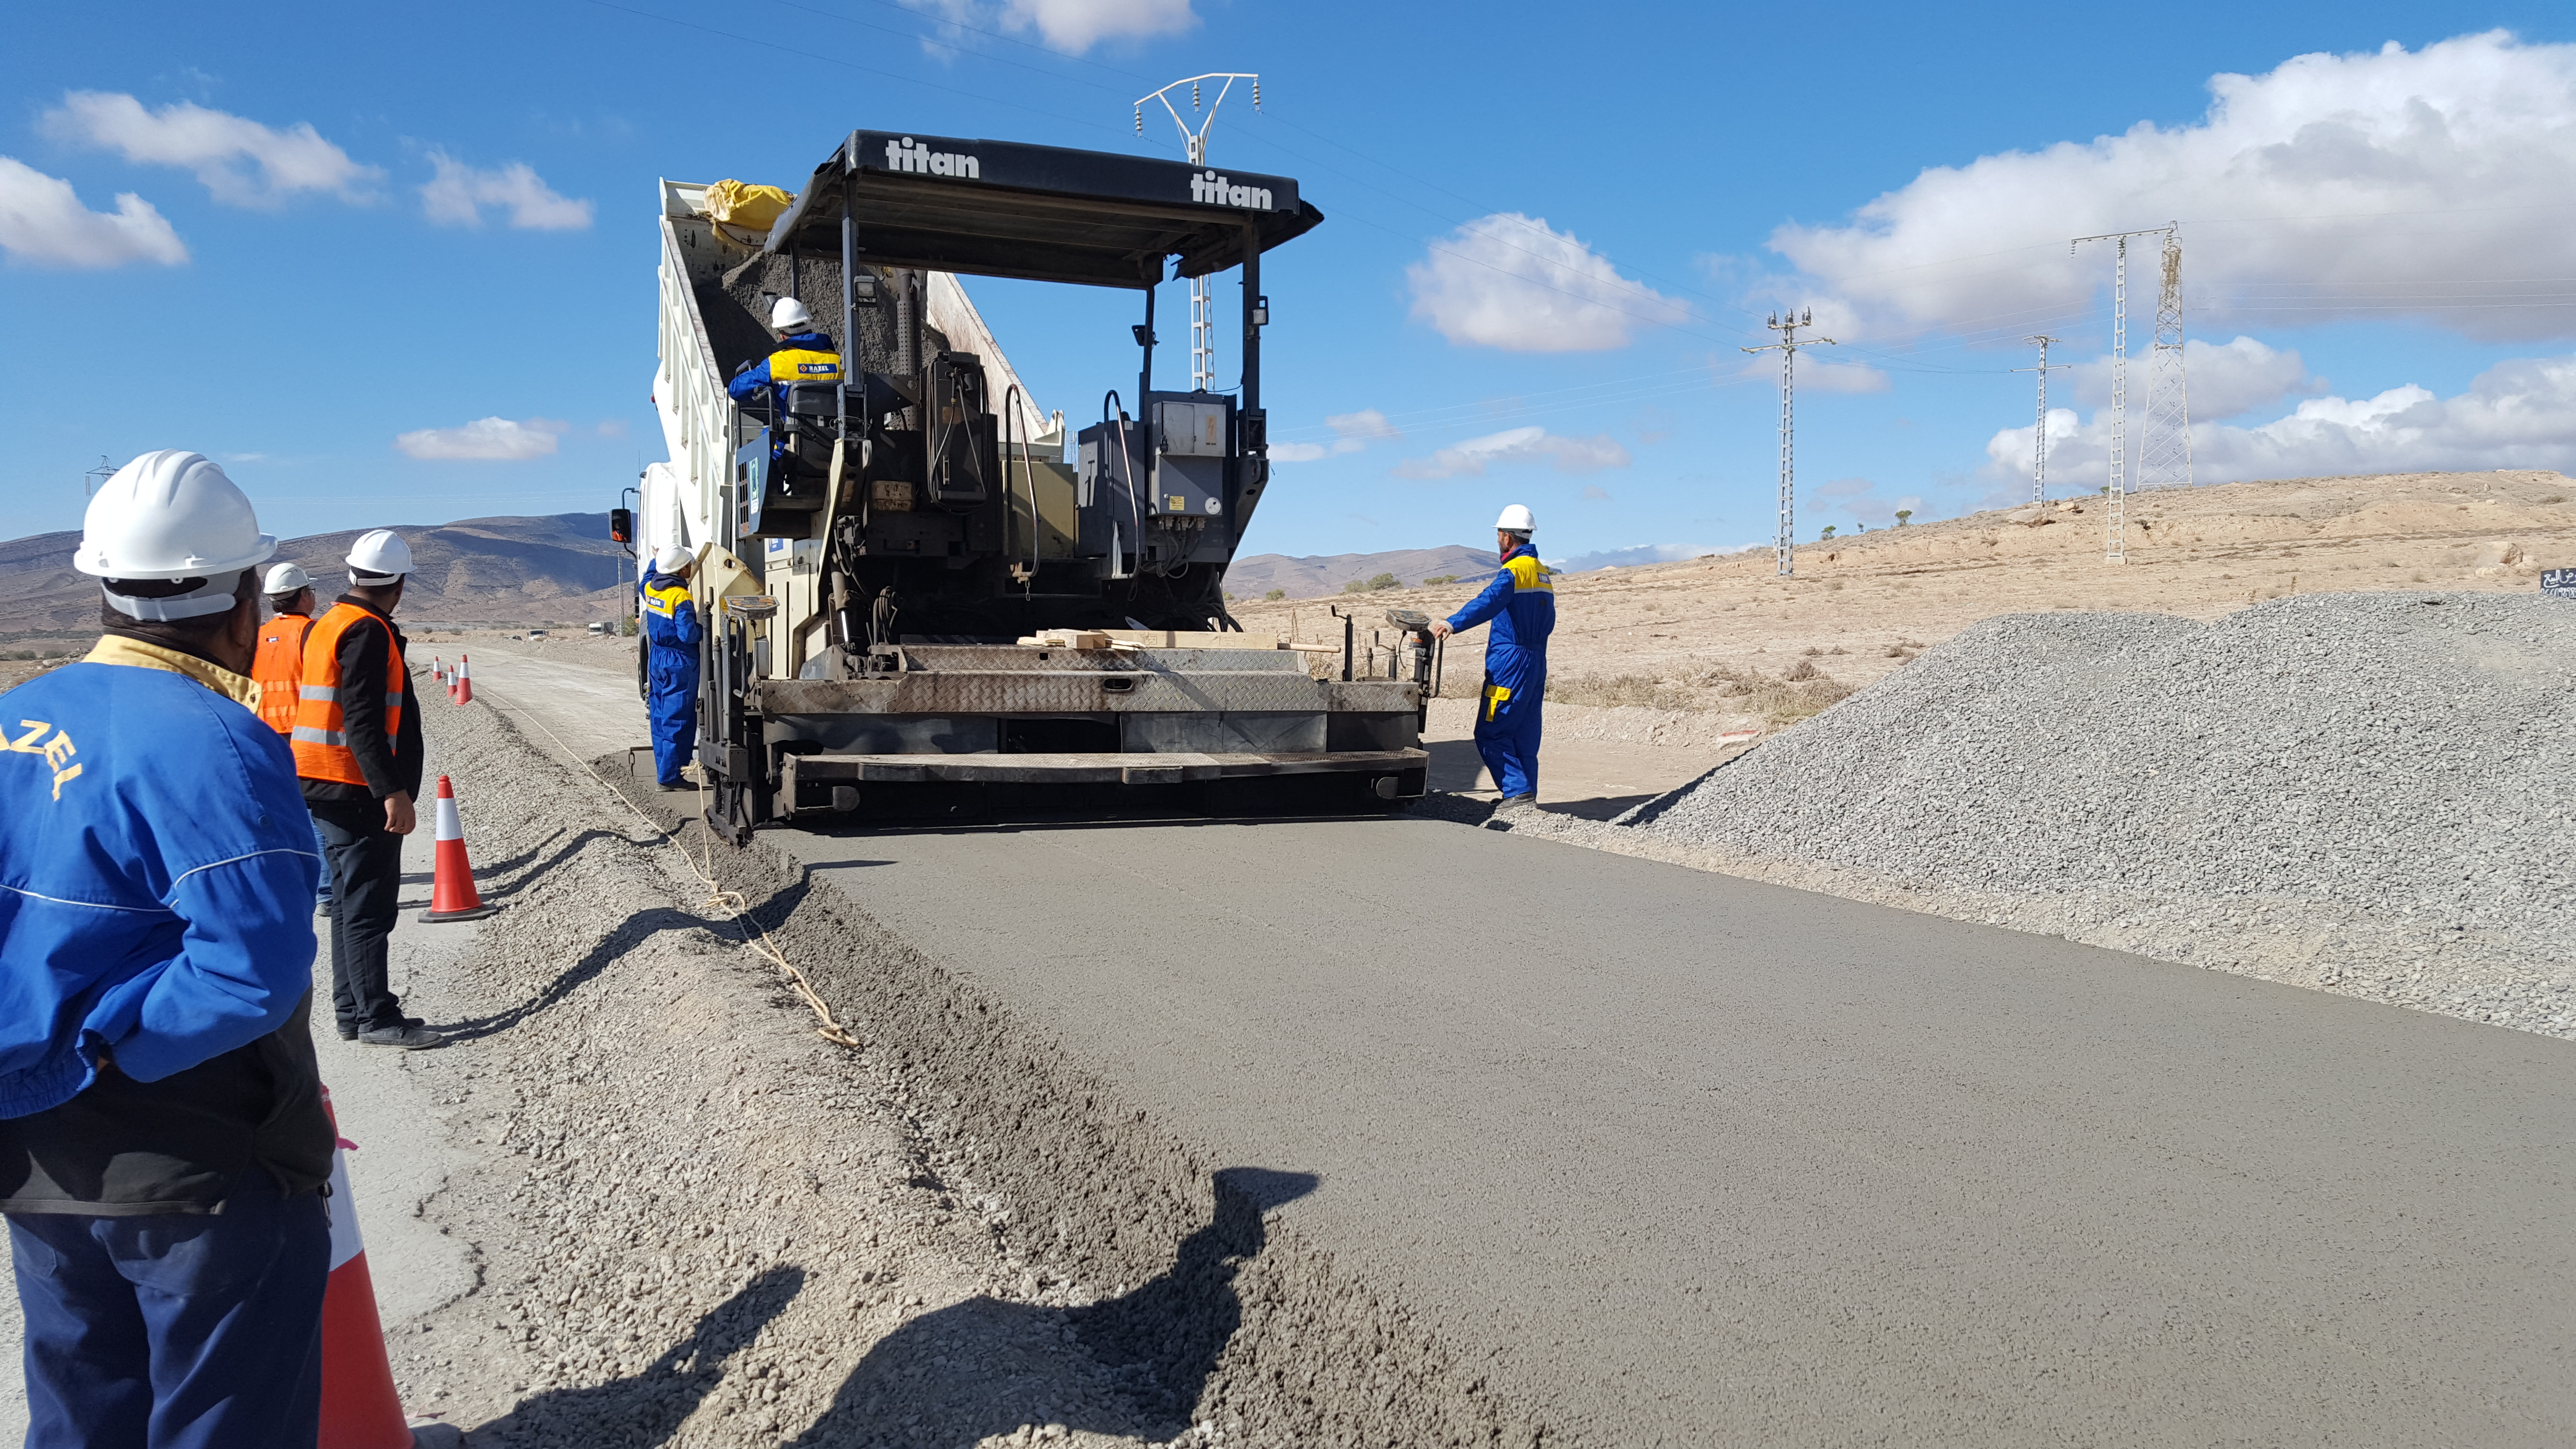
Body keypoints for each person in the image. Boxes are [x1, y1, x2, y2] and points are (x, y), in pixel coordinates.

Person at [0, 450, 335, 1444]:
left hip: (32, 1156)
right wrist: (108, 1046)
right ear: (242, 601)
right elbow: (251, 972)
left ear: (104, 584)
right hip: (193, 1164)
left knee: (81, 1409)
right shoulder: (217, 738)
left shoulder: (16, 718)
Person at [293, 529, 440, 1048]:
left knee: (348, 906)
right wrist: (391, 792)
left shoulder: (327, 623)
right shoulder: (366, 631)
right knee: (370, 908)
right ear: (397, 584)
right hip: (353, 787)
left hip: (321, 780)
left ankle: (352, 1012)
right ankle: (377, 1017)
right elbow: (363, 720)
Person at [1431, 504, 1555, 812]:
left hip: (1511, 663)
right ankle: (1526, 798)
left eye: (1499, 534)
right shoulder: (1541, 572)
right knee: (1524, 734)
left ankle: (1516, 792)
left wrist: (1452, 623)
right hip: (1536, 661)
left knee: (1491, 730)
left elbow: (1489, 600)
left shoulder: (1514, 571)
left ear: (1506, 537)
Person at [252, 561, 330, 909]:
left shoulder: (257, 636)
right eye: (310, 591)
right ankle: (327, 890)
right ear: (303, 596)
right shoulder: (313, 633)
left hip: (266, 735)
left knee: (283, 812)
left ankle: (292, 883)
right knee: (317, 814)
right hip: (307, 732)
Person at [726, 296, 841, 462]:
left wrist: (759, 390)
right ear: (810, 326)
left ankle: (777, 488)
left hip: (794, 443)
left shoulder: (777, 364)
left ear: (782, 334)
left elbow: (735, 389)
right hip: (837, 442)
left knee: (766, 449)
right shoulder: (839, 362)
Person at [641, 544, 704, 791]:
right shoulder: (680, 596)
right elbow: (688, 634)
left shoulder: (650, 588)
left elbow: (645, 578)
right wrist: (706, 631)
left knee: (659, 715)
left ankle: (664, 770)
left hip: (657, 658)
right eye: (689, 564)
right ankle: (670, 777)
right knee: (677, 718)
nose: (691, 568)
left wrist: (655, 560)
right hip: (679, 660)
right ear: (682, 569)